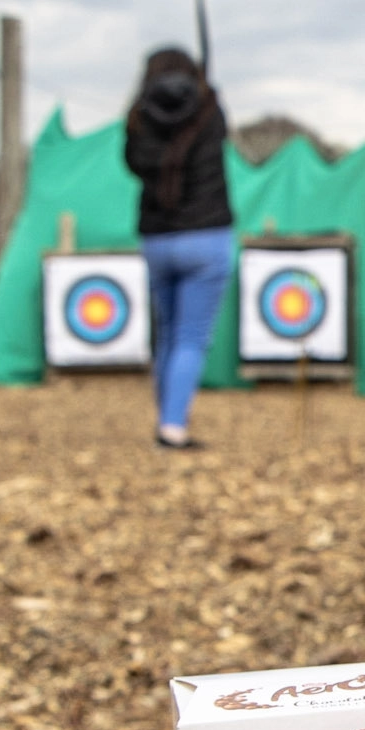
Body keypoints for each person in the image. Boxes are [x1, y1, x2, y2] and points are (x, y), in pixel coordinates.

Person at [124, 47, 233, 450]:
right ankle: (173, 427)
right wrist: (208, 91)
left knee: (170, 333)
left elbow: (133, 163)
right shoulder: (207, 111)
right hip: (206, 238)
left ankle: (167, 419)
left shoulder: (139, 118)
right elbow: (217, 126)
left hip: (157, 240)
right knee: (189, 338)